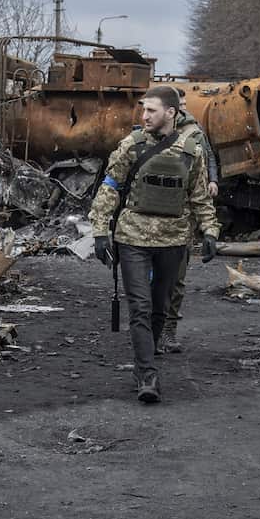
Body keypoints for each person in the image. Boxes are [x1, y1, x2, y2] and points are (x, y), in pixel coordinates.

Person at [89, 85, 220, 404]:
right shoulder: (131, 145)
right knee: (140, 308)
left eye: (151, 110)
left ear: (171, 113)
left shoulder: (192, 149)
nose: (143, 115)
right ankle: (146, 375)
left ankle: (147, 360)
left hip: (173, 238)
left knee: (159, 309)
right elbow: (110, 185)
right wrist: (99, 230)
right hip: (132, 236)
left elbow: (200, 196)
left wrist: (210, 231)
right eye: (143, 109)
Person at [161, 105, 219, 354]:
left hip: (182, 218)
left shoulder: (194, 134)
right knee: (150, 280)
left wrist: (212, 180)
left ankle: (168, 330)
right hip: (148, 221)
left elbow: (208, 158)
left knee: (176, 280)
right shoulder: (145, 135)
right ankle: (149, 328)